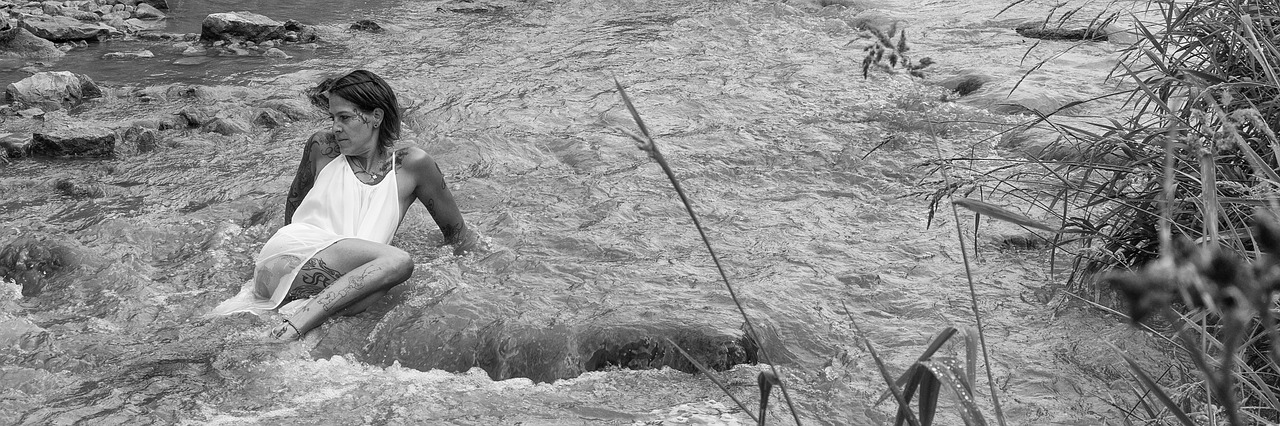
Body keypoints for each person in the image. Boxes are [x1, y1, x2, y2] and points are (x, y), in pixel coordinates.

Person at [210, 69, 480, 340]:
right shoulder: (322, 146)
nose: (335, 127)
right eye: (333, 118)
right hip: (293, 255)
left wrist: (462, 282)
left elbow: (456, 234)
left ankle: (300, 321)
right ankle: (295, 326)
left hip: (336, 278)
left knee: (379, 287)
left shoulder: (412, 165)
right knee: (398, 261)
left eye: (345, 117)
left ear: (376, 116)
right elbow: (294, 209)